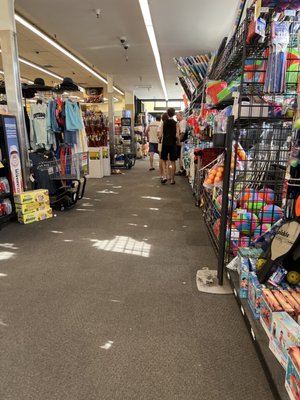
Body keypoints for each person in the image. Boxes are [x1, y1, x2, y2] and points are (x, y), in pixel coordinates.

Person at [159, 108, 180, 185]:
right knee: (173, 161)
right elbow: (177, 135)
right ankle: (172, 179)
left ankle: (164, 176)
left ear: (167, 114)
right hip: (173, 143)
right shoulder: (176, 123)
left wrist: (160, 140)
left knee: (164, 160)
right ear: (174, 114)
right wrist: (178, 142)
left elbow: (160, 134)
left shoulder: (163, 123)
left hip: (165, 143)